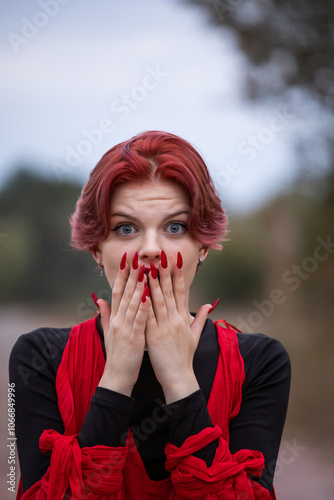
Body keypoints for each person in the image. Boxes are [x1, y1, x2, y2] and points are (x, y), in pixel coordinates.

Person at [9, 130, 290, 499]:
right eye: (126, 228)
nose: (151, 249)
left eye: (175, 227)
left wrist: (179, 380)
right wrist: (116, 379)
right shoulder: (39, 357)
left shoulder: (261, 363)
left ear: (202, 245)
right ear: (96, 247)